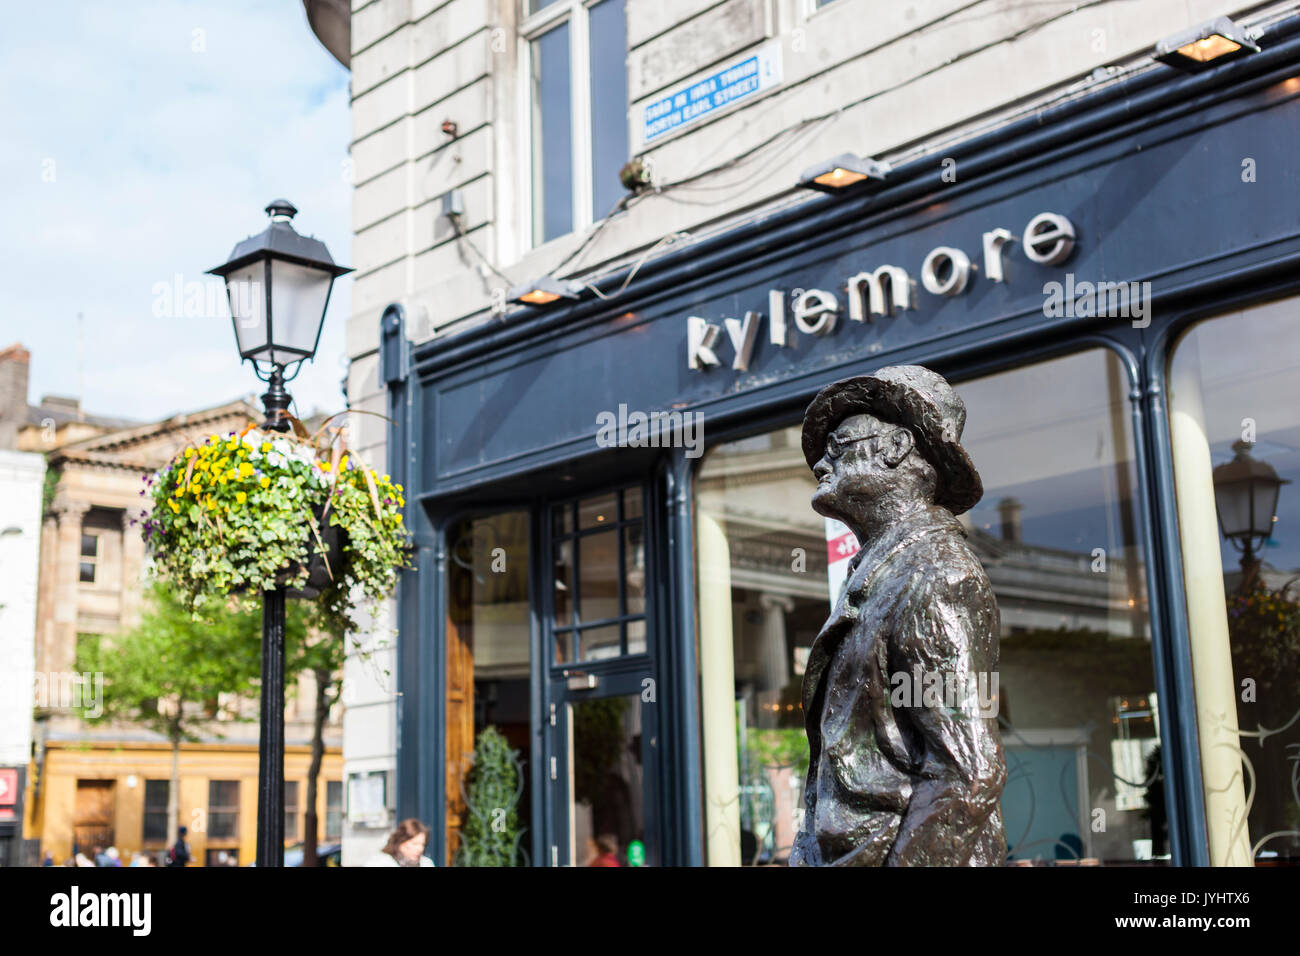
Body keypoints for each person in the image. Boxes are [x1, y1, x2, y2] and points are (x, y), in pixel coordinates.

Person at [790, 366, 1007, 867]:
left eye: (839, 444)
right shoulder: (879, 575)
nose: (822, 464)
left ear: (897, 446)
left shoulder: (937, 575)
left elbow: (970, 771)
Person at [363, 818, 436, 867]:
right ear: (401, 842)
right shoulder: (380, 862)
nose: (420, 849)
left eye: (423, 844)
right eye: (415, 844)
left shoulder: (426, 863)